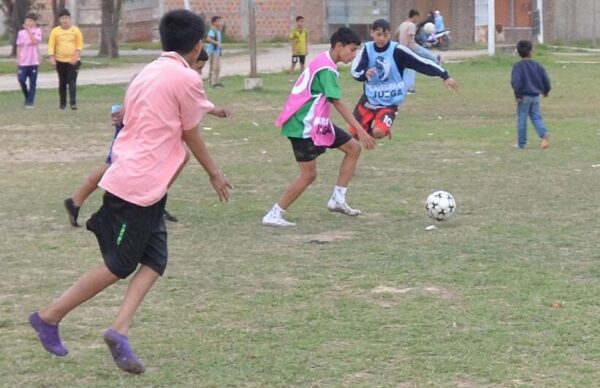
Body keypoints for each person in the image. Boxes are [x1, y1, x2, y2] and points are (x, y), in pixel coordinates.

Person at [29, 10, 232, 374]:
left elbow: (125, 115)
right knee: (119, 265)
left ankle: (119, 330)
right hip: (138, 183)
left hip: (145, 181)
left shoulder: (149, 71)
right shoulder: (185, 77)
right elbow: (190, 132)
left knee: (155, 260)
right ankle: (49, 316)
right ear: (199, 44)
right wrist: (215, 173)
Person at [63, 48, 216, 227]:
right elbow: (136, 80)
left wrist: (216, 110)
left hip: (147, 128)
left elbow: (196, 102)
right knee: (113, 166)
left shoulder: (178, 75)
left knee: (181, 155)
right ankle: (76, 201)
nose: (199, 73)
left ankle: (155, 202)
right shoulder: (165, 69)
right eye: (198, 67)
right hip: (134, 125)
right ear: (190, 56)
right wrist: (126, 107)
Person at [262, 27, 376, 227]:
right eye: (351, 49)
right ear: (339, 46)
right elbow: (337, 102)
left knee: (353, 148)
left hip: (316, 122)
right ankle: (274, 213)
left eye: (356, 50)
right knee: (309, 175)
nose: (353, 55)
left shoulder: (324, 61)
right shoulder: (327, 69)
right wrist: (360, 130)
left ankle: (338, 199)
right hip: (302, 125)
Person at [350, 19, 458, 140]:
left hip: (390, 102)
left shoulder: (398, 50)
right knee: (354, 134)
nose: (382, 38)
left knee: (379, 132)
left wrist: (444, 75)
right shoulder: (367, 49)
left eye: (385, 35)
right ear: (372, 33)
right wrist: (364, 74)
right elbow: (355, 71)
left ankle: (379, 131)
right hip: (369, 99)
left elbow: (420, 62)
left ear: (390, 35)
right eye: (378, 34)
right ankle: (366, 134)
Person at [511, 39, 551, 149]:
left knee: (522, 119)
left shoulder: (517, 66)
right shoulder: (538, 65)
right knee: (536, 117)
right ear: (531, 51)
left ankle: (521, 143)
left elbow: (516, 82)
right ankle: (544, 134)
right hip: (536, 96)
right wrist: (546, 91)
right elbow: (546, 80)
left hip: (524, 97)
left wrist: (517, 95)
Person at [396, 9, 440, 94]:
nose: (417, 20)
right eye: (417, 17)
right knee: (423, 56)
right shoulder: (412, 25)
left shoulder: (402, 24)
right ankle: (436, 61)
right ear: (415, 16)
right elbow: (409, 36)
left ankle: (406, 88)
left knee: (406, 68)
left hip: (402, 47)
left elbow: (396, 34)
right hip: (411, 47)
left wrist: (401, 43)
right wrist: (406, 47)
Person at [48, 9, 83, 110]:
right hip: (60, 61)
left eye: (66, 18)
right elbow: (51, 45)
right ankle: (62, 104)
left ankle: (73, 103)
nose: (65, 20)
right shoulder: (55, 31)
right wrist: (51, 57)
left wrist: (75, 57)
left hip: (73, 61)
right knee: (62, 82)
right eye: (62, 18)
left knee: (71, 81)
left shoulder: (75, 30)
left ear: (70, 19)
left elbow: (79, 45)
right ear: (59, 20)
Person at [16, 12, 42, 108]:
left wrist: (29, 31)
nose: (28, 22)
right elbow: (19, 46)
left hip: (33, 60)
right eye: (27, 20)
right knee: (21, 79)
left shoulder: (37, 31)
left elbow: (35, 41)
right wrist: (18, 58)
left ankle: (30, 102)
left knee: (33, 82)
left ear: (35, 22)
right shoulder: (20, 33)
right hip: (23, 61)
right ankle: (27, 96)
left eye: (30, 21)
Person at [206, 15, 224, 88]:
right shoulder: (212, 30)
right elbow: (208, 39)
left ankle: (217, 81)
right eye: (219, 21)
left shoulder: (218, 30)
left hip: (217, 51)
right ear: (214, 22)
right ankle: (212, 83)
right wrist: (217, 43)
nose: (220, 22)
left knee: (218, 67)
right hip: (213, 51)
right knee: (213, 67)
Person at [289, 16, 308, 81]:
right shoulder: (294, 30)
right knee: (293, 63)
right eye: (300, 21)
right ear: (297, 22)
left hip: (302, 50)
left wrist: (306, 49)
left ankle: (302, 78)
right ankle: (290, 77)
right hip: (296, 51)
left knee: (302, 64)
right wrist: (293, 49)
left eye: (302, 21)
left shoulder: (305, 31)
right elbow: (292, 40)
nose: (301, 23)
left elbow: (306, 40)